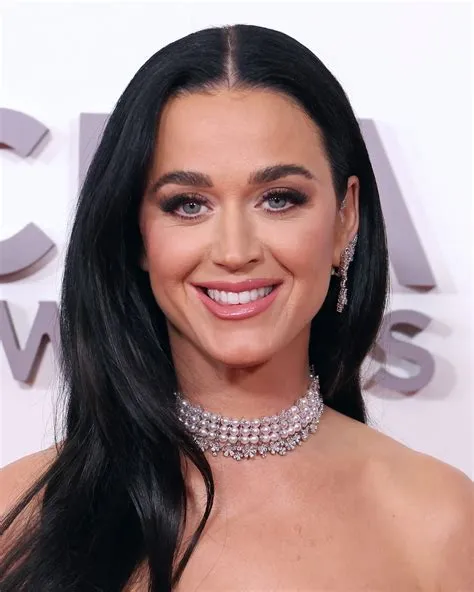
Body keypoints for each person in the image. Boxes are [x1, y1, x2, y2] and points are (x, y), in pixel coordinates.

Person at [0, 24, 472, 592]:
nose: (234, 251)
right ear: (136, 233)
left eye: (279, 199)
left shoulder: (442, 521)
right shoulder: (16, 517)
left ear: (345, 217)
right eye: (187, 204)